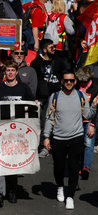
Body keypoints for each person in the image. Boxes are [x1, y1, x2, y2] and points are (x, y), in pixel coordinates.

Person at [43, 72, 98, 210]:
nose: (69, 83)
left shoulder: (81, 96)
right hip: (58, 138)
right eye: (66, 80)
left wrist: (94, 106)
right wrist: (46, 136)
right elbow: (49, 118)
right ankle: (60, 187)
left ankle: (70, 197)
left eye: (71, 81)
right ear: (62, 81)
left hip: (76, 138)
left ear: (75, 82)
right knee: (59, 167)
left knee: (74, 168)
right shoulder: (54, 97)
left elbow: (87, 115)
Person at [0, 61, 35, 205]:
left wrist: (35, 103)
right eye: (8, 70)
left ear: (17, 72)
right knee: (0, 162)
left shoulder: (24, 89)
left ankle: (12, 191)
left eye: (13, 70)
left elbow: (31, 105)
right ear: (4, 73)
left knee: (13, 163)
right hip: (1, 132)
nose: (10, 73)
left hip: (18, 133)